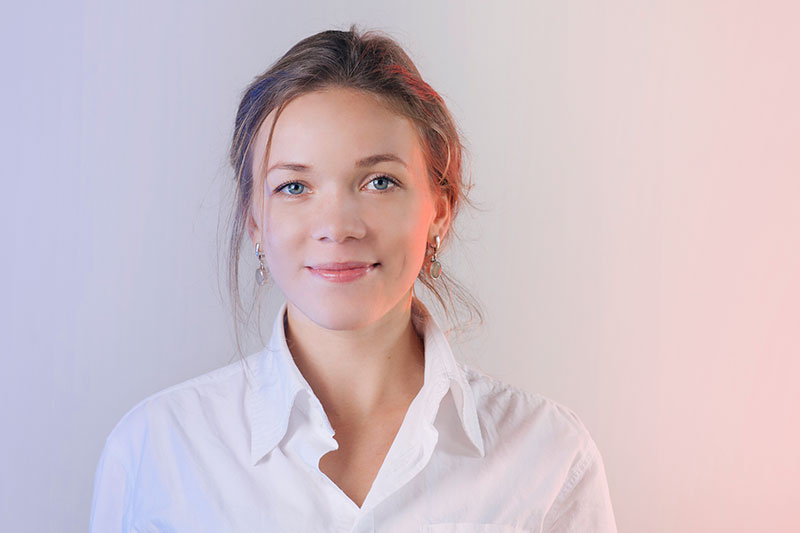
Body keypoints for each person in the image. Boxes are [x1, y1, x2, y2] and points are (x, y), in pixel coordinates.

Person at [89, 24, 617, 532]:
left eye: (379, 181)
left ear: (440, 210)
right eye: (294, 187)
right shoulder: (156, 449)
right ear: (254, 220)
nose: (337, 227)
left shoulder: (547, 453)